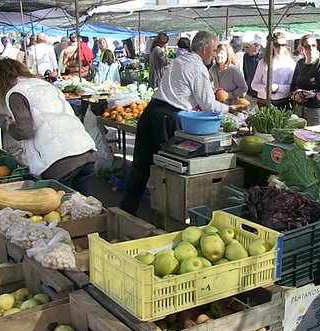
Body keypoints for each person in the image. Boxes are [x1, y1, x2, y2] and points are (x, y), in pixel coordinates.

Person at [120, 31, 247, 216]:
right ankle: (166, 215)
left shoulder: (181, 60)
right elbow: (207, 104)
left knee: (141, 164)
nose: (213, 54)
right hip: (167, 117)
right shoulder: (198, 69)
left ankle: (127, 210)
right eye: (212, 50)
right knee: (168, 168)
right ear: (204, 49)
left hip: (151, 111)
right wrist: (231, 108)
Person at [0, 59, 96, 194]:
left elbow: (25, 131)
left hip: (59, 160)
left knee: (62, 208)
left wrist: (10, 126)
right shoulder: (45, 85)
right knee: (83, 207)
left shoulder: (16, 93)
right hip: (85, 151)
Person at [290, 34, 320, 125]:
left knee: (314, 136)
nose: (310, 49)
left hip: (315, 110)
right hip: (299, 108)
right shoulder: (300, 63)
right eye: (307, 46)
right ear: (302, 49)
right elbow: (293, 85)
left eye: (313, 45)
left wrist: (305, 94)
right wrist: (295, 94)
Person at [250, 32, 296, 110]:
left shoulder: (291, 64)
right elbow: (254, 85)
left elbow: (292, 88)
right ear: (272, 46)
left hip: (282, 104)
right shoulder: (263, 63)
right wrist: (266, 88)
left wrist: (278, 88)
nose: (280, 48)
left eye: (283, 45)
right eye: (277, 45)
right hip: (263, 103)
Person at [242, 35, 264, 102]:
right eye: (244, 47)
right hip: (250, 94)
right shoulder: (246, 56)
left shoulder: (266, 56)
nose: (245, 50)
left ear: (256, 46)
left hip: (263, 96)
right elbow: (246, 74)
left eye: (247, 47)